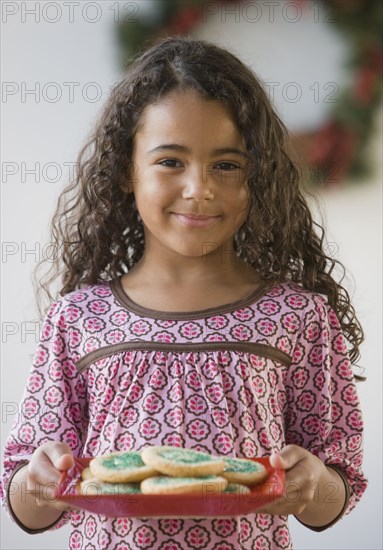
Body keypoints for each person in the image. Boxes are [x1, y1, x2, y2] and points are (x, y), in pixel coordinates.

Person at [0, 36, 367, 550]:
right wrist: (37, 483)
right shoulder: (77, 318)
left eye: (226, 165)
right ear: (127, 170)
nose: (200, 188)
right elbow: (25, 502)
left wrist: (314, 486)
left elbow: (336, 490)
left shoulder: (298, 316)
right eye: (170, 161)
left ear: (255, 177)